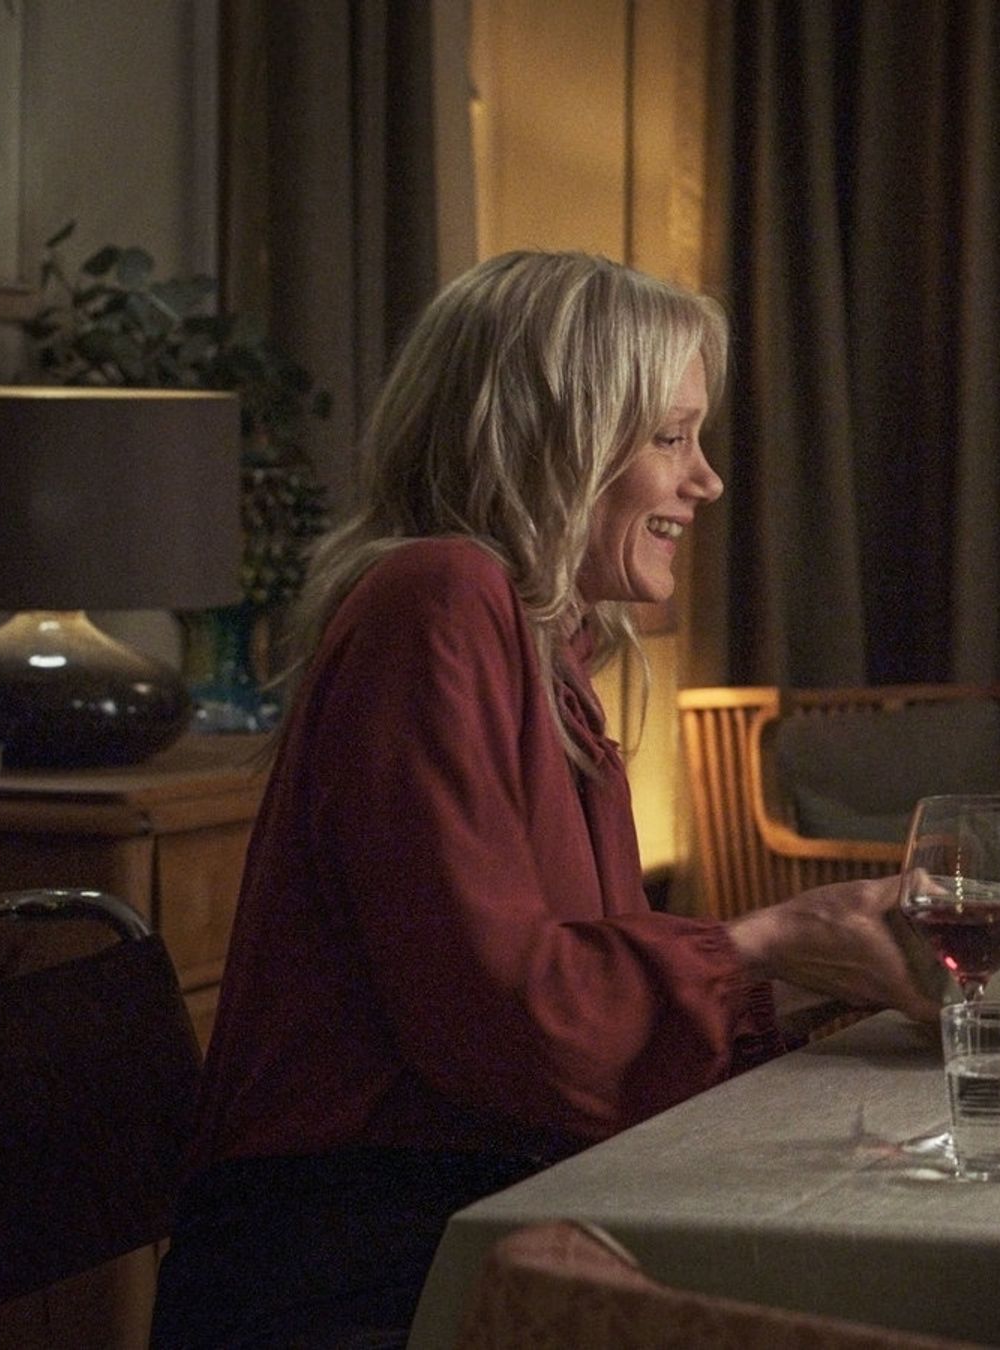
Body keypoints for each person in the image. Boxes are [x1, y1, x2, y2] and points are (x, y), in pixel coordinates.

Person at [151, 251, 939, 1348]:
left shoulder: (543, 650)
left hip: (462, 1219)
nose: (706, 480)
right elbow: (507, 1021)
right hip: (351, 1271)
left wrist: (819, 970)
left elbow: (571, 1001)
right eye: (670, 437)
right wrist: (767, 943)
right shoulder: (437, 598)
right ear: (552, 442)